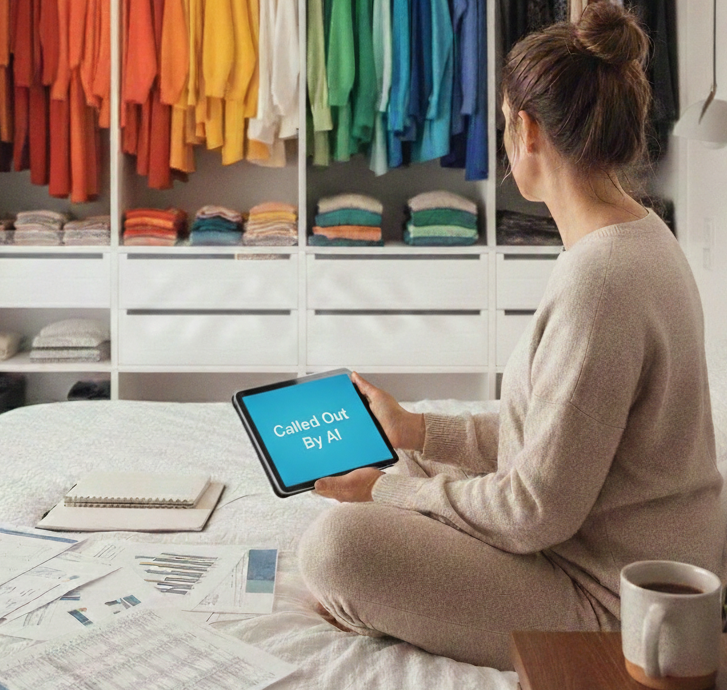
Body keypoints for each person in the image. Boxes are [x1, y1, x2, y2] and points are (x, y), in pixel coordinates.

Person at [297, 1, 725, 671]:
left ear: (526, 131)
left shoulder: (603, 281)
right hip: (611, 546)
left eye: (501, 124)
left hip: (610, 599)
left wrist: (386, 494)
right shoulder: (634, 237)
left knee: (337, 547)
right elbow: (553, 438)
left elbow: (532, 510)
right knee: (402, 465)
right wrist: (415, 432)